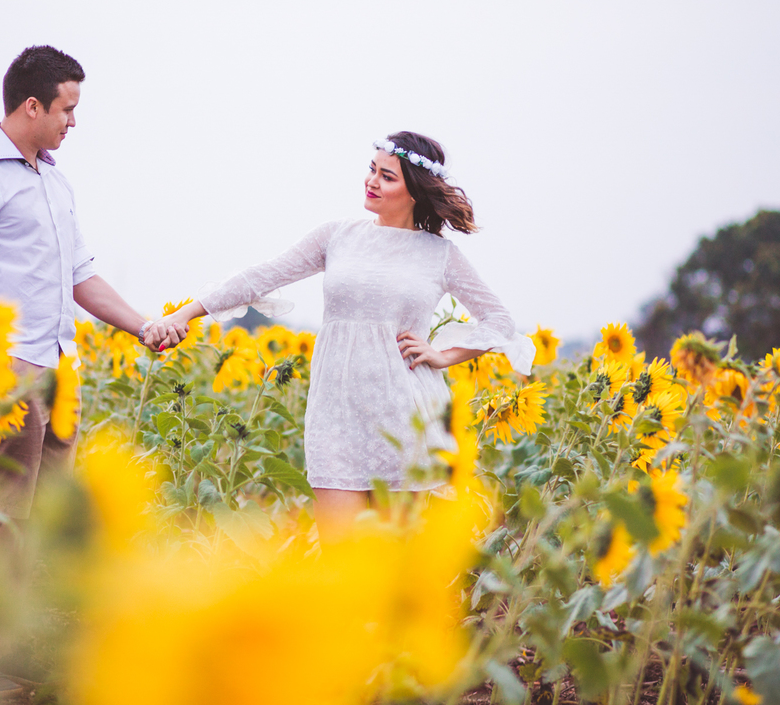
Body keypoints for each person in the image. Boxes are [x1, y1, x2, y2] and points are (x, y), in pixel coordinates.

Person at [0, 45, 184, 693]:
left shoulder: (54, 181)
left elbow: (81, 277)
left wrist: (143, 325)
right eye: (67, 109)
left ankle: (4, 646)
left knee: (32, 518)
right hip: (9, 367)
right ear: (32, 105)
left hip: (58, 369)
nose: (74, 121)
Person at [150, 131, 534, 543]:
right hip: (335, 413)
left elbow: (498, 320)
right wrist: (186, 313)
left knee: (390, 560)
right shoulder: (338, 236)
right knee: (339, 554)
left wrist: (443, 355)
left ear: (415, 190)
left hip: (402, 414)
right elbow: (262, 276)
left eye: (387, 176)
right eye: (372, 169)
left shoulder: (439, 255)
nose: (371, 181)